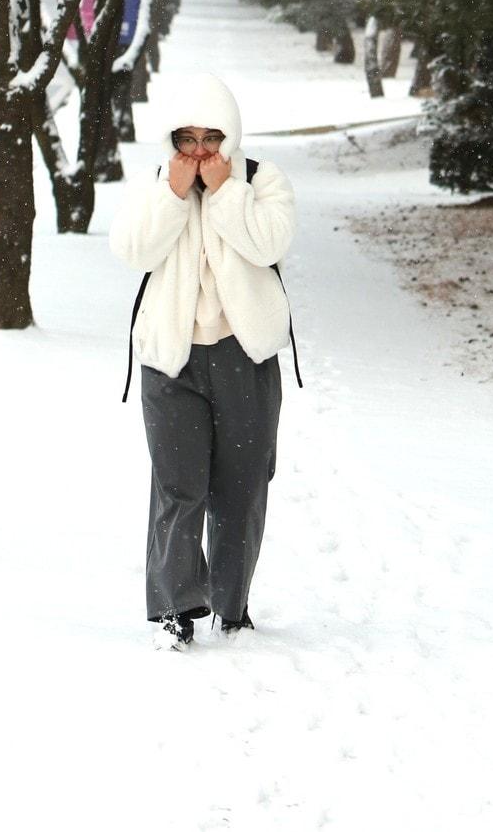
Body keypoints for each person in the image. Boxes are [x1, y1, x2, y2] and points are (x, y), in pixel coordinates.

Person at [109, 71, 297, 650]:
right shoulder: (153, 184)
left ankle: (231, 605)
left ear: (230, 137)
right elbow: (132, 250)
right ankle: (173, 608)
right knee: (178, 484)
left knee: (241, 486)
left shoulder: (262, 182)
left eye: (211, 138)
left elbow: (269, 244)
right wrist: (173, 195)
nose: (199, 151)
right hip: (170, 360)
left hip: (246, 356)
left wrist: (224, 193)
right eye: (187, 139)